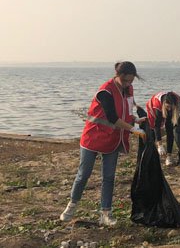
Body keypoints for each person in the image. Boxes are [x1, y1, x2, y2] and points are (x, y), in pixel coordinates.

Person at [60, 62, 146, 226]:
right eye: (125, 80)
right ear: (117, 75)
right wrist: (134, 129)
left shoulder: (128, 90)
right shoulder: (105, 91)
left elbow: (126, 111)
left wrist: (135, 119)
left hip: (112, 140)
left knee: (108, 177)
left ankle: (105, 213)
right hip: (93, 138)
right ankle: (71, 206)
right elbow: (113, 117)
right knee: (83, 175)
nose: (128, 84)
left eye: (131, 81)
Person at [146, 91, 180, 166]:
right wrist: (160, 144)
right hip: (152, 106)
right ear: (164, 103)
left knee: (170, 129)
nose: (169, 109)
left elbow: (175, 108)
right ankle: (152, 153)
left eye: (171, 107)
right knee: (153, 128)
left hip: (170, 105)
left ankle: (169, 156)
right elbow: (157, 126)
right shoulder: (157, 106)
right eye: (168, 107)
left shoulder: (177, 99)